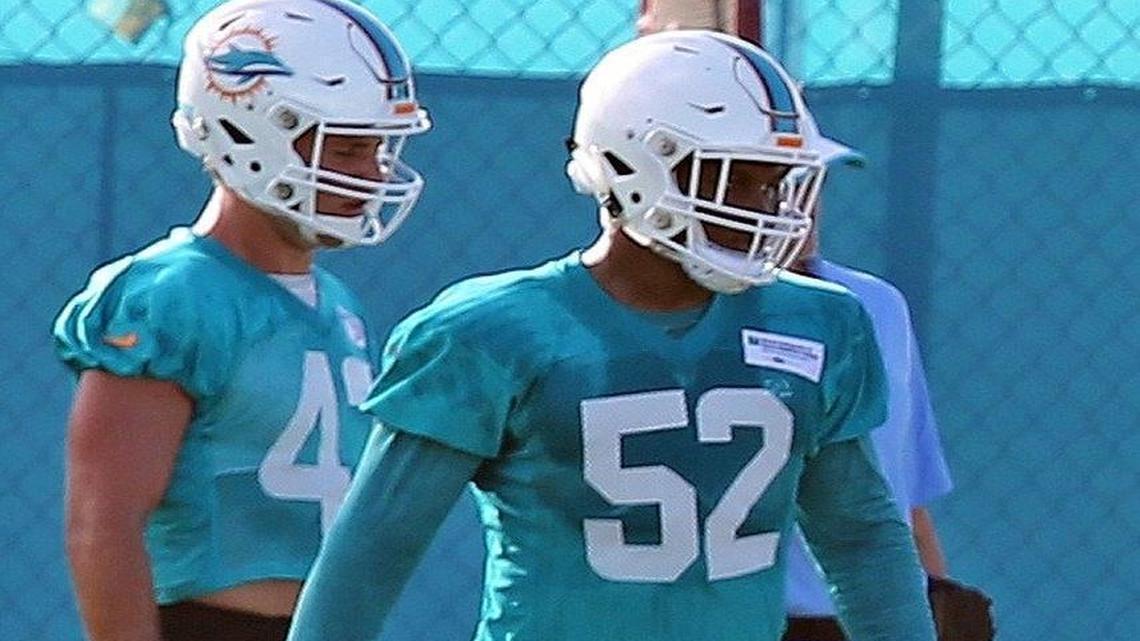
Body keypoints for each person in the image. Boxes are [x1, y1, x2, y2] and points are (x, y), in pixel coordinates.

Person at [288, 30, 936, 641]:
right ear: (633, 164)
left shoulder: (821, 321)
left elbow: (860, 538)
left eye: (770, 183)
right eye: (732, 177)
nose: (759, 208)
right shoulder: (491, 333)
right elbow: (372, 552)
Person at [53, 1, 431, 640]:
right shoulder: (171, 295)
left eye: (378, 148)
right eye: (345, 147)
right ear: (249, 130)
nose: (372, 174)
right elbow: (104, 520)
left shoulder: (337, 303)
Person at [782, 203, 954, 641]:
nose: (799, 204)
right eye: (764, 178)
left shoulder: (877, 305)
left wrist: (941, 601)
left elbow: (903, 500)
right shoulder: (665, 323)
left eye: (812, 179)